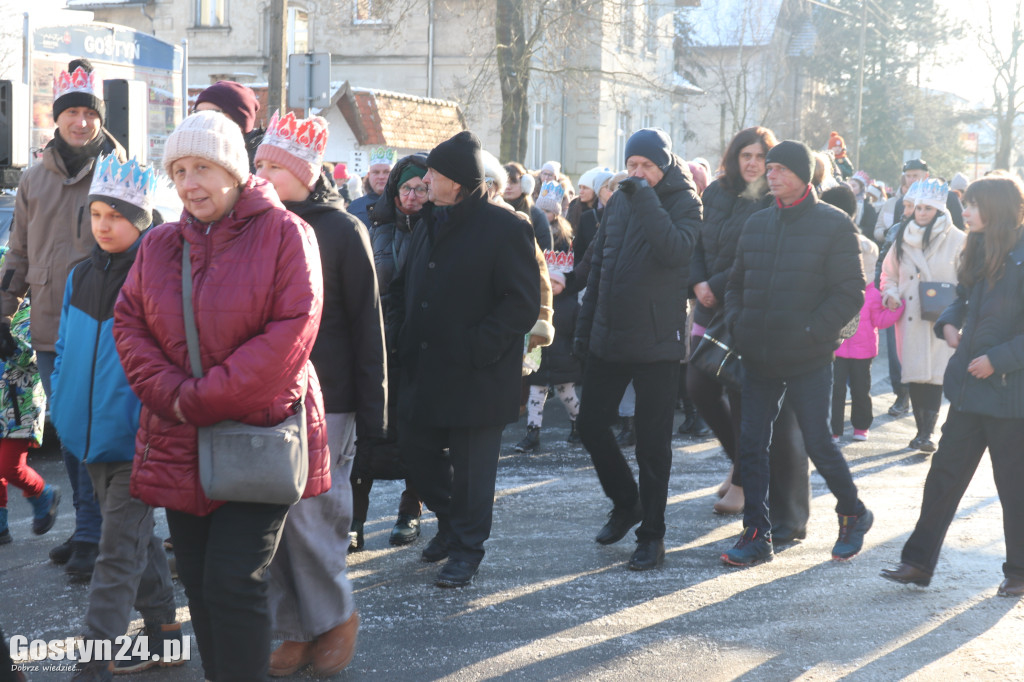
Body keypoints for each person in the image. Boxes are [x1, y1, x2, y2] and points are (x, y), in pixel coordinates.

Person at [112, 110, 330, 682]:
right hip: (179, 438)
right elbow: (129, 324)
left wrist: (198, 397)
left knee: (235, 580)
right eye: (179, 170)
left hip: (258, 438)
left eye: (202, 167)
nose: (189, 183)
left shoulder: (287, 234)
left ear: (234, 170)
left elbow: (293, 333)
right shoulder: (158, 244)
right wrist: (173, 396)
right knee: (205, 586)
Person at [254, 111, 385, 677]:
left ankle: (335, 618)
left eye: (271, 167)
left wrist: (374, 411)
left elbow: (367, 324)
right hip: (269, 395)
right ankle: (292, 631)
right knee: (275, 523)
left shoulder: (341, 229)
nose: (259, 175)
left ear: (303, 173)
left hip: (330, 396)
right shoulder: (258, 225)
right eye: (256, 164)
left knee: (316, 518)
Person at [388, 131, 540, 588]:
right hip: (425, 367)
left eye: (433, 173)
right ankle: (452, 525)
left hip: (477, 373)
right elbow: (407, 286)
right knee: (416, 453)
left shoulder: (506, 227)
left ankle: (467, 549)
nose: (425, 179)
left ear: (456, 180)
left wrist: (479, 347)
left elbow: (521, 304)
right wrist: (400, 334)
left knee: (475, 472)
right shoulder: (429, 221)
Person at [57, 156, 182, 681]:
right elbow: (64, 347)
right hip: (86, 436)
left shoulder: (155, 275)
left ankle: (92, 663)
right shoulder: (79, 275)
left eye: (117, 215)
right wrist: (62, 408)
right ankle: (166, 636)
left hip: (139, 439)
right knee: (132, 539)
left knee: (114, 553)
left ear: (144, 218)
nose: (104, 225)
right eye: (97, 214)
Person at [0, 58, 122, 580]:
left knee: (101, 433)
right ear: (58, 118)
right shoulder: (33, 178)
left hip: (106, 325)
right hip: (50, 325)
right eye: (71, 112)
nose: (80, 122)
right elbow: (18, 253)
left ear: (99, 118)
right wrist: (4, 313)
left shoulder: (119, 169)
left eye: (88, 114)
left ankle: (99, 533)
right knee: (71, 433)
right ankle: (88, 527)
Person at [723, 140, 870, 567]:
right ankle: (756, 535)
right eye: (769, 169)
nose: (771, 175)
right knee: (750, 445)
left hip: (808, 356)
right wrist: (739, 324)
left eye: (780, 169)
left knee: (818, 442)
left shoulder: (834, 223)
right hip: (758, 355)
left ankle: (853, 513)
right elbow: (736, 283)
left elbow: (850, 293)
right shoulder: (757, 223)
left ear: (804, 176)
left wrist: (813, 332)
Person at [880, 175, 1024, 598]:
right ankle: (917, 562)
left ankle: (1018, 570)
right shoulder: (978, 248)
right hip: (968, 390)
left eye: (974, 204)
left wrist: (999, 359)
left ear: (996, 209)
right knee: (943, 477)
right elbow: (963, 297)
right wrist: (947, 320)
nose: (965, 210)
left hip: (1011, 395)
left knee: (1013, 485)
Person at [574, 128, 700, 571]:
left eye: (646, 166)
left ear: (663, 165)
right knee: (590, 424)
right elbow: (598, 255)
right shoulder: (622, 198)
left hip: (657, 340)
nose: (637, 173)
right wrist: (569, 284)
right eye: (631, 166)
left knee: (652, 444)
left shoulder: (684, 200)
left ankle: (653, 535)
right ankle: (627, 503)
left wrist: (645, 195)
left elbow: (676, 251)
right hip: (610, 332)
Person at [687, 128, 811, 539]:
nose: (753, 163)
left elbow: (749, 254)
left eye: (761, 157)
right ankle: (739, 461)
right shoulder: (716, 193)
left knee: (741, 393)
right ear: (733, 156)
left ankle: (742, 479)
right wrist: (698, 282)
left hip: (741, 305)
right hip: (705, 303)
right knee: (698, 384)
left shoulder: (769, 200)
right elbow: (698, 244)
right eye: (746, 154)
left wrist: (714, 286)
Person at [352, 152, 430, 551]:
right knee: (368, 437)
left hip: (422, 350)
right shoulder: (373, 225)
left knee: (418, 437)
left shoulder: (439, 228)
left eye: (421, 188)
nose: (413, 196)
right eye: (406, 188)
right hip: (380, 343)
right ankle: (355, 521)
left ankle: (410, 511)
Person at [881, 179, 966, 452]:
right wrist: (890, 294)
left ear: (940, 210)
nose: (921, 213)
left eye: (928, 209)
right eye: (918, 208)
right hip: (911, 316)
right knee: (916, 374)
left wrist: (961, 305)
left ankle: (928, 433)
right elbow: (888, 274)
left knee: (936, 375)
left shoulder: (959, 240)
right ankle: (921, 431)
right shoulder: (902, 239)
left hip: (944, 316)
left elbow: (969, 279)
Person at [820, 185, 904, 442]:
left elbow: (880, 319)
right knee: (835, 392)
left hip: (862, 351)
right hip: (837, 349)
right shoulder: (834, 290)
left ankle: (860, 426)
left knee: (860, 390)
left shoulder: (873, 294)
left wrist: (897, 306)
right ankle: (833, 429)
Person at [516, 181, 582, 452]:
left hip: (563, 359)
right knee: (536, 394)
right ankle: (533, 432)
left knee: (567, 395)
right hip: (541, 359)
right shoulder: (539, 304)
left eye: (556, 285)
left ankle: (579, 423)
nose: (552, 288)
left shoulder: (570, 307)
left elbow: (575, 330)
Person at [0, 297, 60, 546]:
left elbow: (36, 358)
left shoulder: (30, 311)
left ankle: (43, 494)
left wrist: (10, 346)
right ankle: (1, 527)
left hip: (20, 405)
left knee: (8, 467)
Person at [194, 80, 264, 170]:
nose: (203, 120)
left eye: (213, 114)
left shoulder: (265, 164)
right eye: (197, 114)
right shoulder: (189, 157)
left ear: (239, 122)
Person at [894, 159, 964, 230]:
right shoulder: (901, 203)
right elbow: (897, 231)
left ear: (926, 175)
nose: (911, 180)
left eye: (915, 176)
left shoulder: (948, 197)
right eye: (908, 176)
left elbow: (959, 227)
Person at [503, 162, 553, 250]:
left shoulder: (537, 215)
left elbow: (546, 249)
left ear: (525, 184)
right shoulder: (493, 210)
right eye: (505, 181)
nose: (508, 187)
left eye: (513, 182)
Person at [349, 146, 396, 228]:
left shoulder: (404, 205)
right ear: (368, 175)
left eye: (386, 172)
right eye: (376, 172)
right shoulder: (355, 207)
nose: (381, 176)